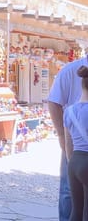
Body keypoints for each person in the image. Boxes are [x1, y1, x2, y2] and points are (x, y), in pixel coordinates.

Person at [48, 53, 88, 221]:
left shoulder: (71, 111)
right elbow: (54, 102)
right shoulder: (69, 71)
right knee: (67, 193)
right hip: (74, 143)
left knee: (76, 203)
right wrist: (62, 139)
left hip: (75, 148)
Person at [63, 65, 88, 221]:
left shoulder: (69, 111)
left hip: (74, 162)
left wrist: (72, 163)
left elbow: (68, 144)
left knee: (76, 210)